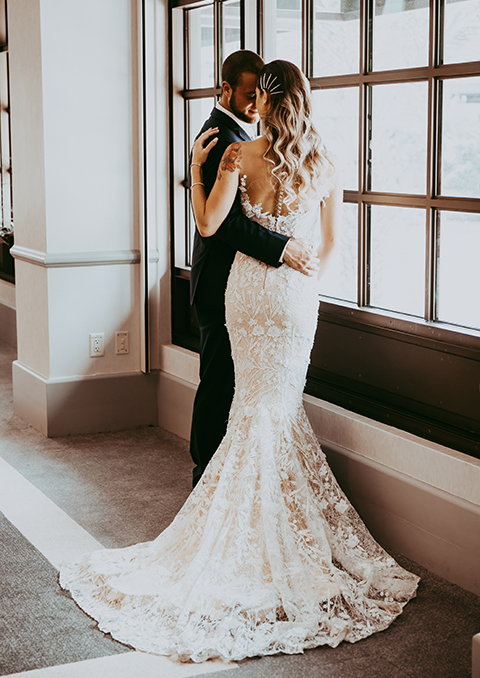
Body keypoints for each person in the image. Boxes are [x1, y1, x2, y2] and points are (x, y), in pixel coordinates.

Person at [60, 60, 419, 663]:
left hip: (248, 292)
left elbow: (207, 223)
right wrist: (308, 288)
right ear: (304, 100)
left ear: (266, 102)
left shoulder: (240, 156)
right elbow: (330, 244)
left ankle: (234, 520)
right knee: (275, 407)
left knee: (249, 406)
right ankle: (264, 526)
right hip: (297, 298)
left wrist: (198, 178)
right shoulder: (327, 162)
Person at [189, 49, 319, 487]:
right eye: (247, 93)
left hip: (256, 287)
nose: (252, 102)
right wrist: (285, 248)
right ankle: (205, 476)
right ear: (225, 89)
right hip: (226, 281)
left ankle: (234, 482)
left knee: (239, 387)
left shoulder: (245, 140)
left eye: (258, 95)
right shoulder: (224, 138)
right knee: (219, 382)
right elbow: (222, 226)